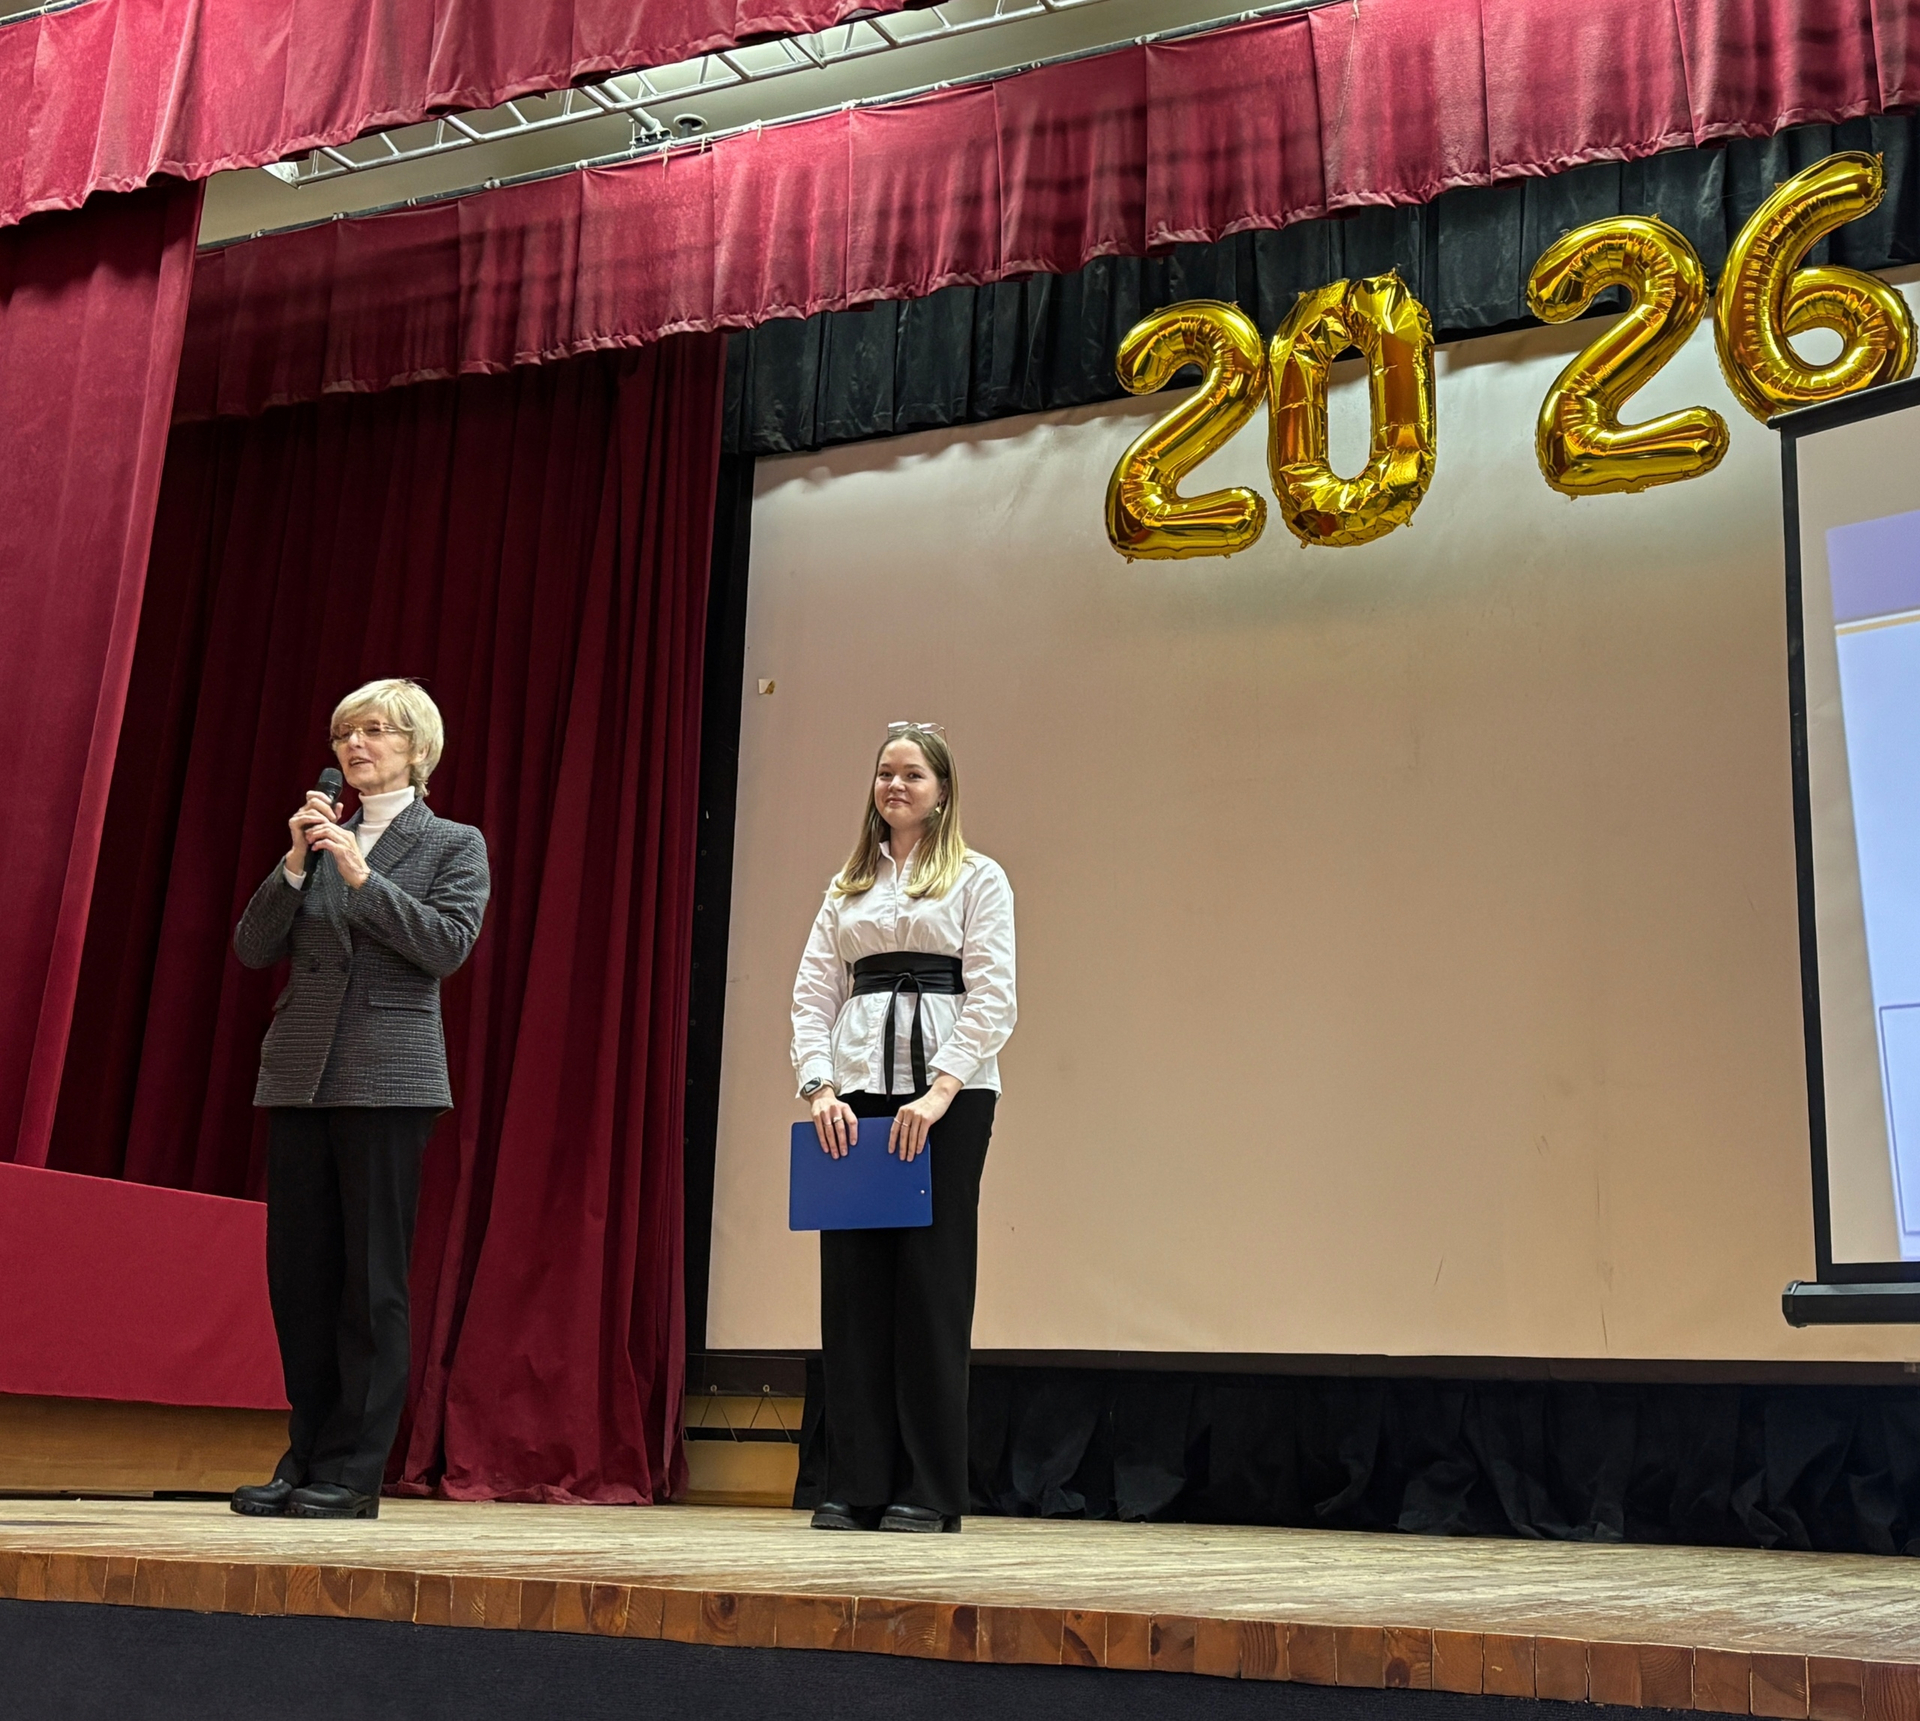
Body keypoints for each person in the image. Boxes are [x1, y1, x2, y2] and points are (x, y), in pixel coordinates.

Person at [228, 679, 490, 1521]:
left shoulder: (452, 842)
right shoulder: (314, 838)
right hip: (300, 1074)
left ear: (417, 748)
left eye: (375, 730)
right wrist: (295, 861)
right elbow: (253, 946)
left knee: (371, 1281)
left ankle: (353, 1470)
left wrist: (361, 873)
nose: (355, 745)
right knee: (300, 1277)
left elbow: (445, 946)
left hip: (387, 1077)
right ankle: (304, 1454)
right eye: (345, 731)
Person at [790, 722, 1016, 1532]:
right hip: (857, 1098)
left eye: (912, 774)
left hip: (947, 1099)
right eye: (885, 773)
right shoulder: (847, 885)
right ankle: (858, 1483)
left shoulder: (979, 877)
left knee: (930, 1286)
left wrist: (940, 1089)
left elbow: (994, 994)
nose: (895, 785)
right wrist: (819, 1087)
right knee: (855, 1291)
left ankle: (929, 1487)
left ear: (942, 790)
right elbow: (814, 992)